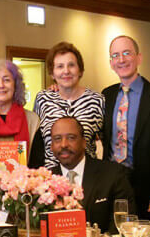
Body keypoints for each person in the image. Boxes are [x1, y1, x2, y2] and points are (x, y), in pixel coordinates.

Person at [102, 35, 150, 220]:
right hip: (113, 183)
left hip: (148, 188)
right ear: (111, 63)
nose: (121, 60)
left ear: (139, 58)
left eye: (127, 53)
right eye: (115, 55)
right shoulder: (107, 95)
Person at [49, 116, 136, 234]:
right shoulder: (43, 181)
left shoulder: (113, 174)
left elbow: (124, 225)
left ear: (84, 142)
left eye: (71, 138)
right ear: (51, 146)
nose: (64, 144)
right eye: (57, 139)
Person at [33, 41, 104, 169]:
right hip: (50, 178)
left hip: (87, 177)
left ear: (80, 70)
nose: (66, 71)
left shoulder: (97, 100)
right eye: (60, 66)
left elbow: (108, 142)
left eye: (71, 65)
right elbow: (37, 144)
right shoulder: (43, 99)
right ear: (52, 73)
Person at [0, 59, 44, 167]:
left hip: (23, 182)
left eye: (6, 80)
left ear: (16, 85)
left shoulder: (32, 120)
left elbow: (37, 164)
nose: (1, 85)